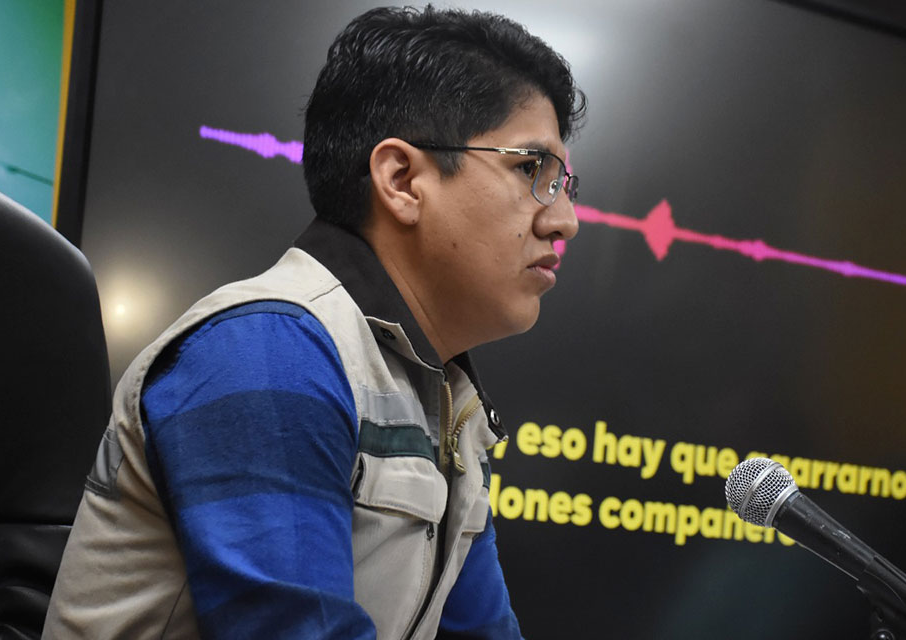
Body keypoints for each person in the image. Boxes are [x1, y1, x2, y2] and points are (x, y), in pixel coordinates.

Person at [44, 6, 584, 639]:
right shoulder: (269, 350)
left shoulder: (442, 400)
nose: (565, 220)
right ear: (402, 179)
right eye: (532, 171)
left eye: (564, 183)